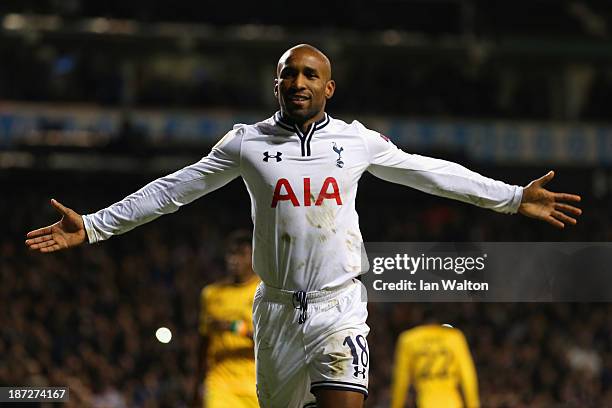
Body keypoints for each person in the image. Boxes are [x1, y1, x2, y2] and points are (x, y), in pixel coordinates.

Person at [26, 44, 582, 408]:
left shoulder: (356, 140)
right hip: (274, 313)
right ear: (277, 86)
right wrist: (96, 225)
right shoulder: (246, 142)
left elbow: (429, 173)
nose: (298, 81)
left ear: (329, 88)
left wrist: (511, 198)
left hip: (339, 309)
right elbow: (176, 189)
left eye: (310, 74)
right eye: (288, 74)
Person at [192, 230, 260, 408]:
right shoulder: (211, 294)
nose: (234, 260)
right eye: (231, 253)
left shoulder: (262, 292)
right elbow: (203, 342)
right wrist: (195, 385)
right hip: (220, 382)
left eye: (242, 254)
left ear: (254, 257)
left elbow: (270, 341)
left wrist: (234, 327)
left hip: (255, 382)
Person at [391, 320, 479, 408]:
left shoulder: (408, 339)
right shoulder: (455, 337)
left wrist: (396, 405)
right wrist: (472, 404)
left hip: (425, 402)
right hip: (452, 402)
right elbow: (468, 374)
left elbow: (401, 379)